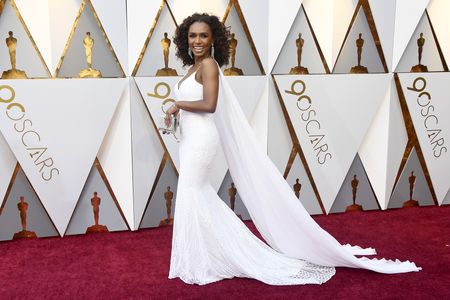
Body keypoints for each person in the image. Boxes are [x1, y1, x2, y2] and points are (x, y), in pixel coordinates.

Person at [165, 13, 420, 286]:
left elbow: (210, 105)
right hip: (190, 139)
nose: (198, 41)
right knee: (195, 194)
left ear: (214, 38)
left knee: (194, 192)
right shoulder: (192, 69)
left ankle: (219, 256)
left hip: (203, 140)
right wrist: (175, 116)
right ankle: (200, 257)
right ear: (185, 40)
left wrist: (177, 105)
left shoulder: (210, 66)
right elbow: (194, 106)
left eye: (203, 35)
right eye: (193, 36)